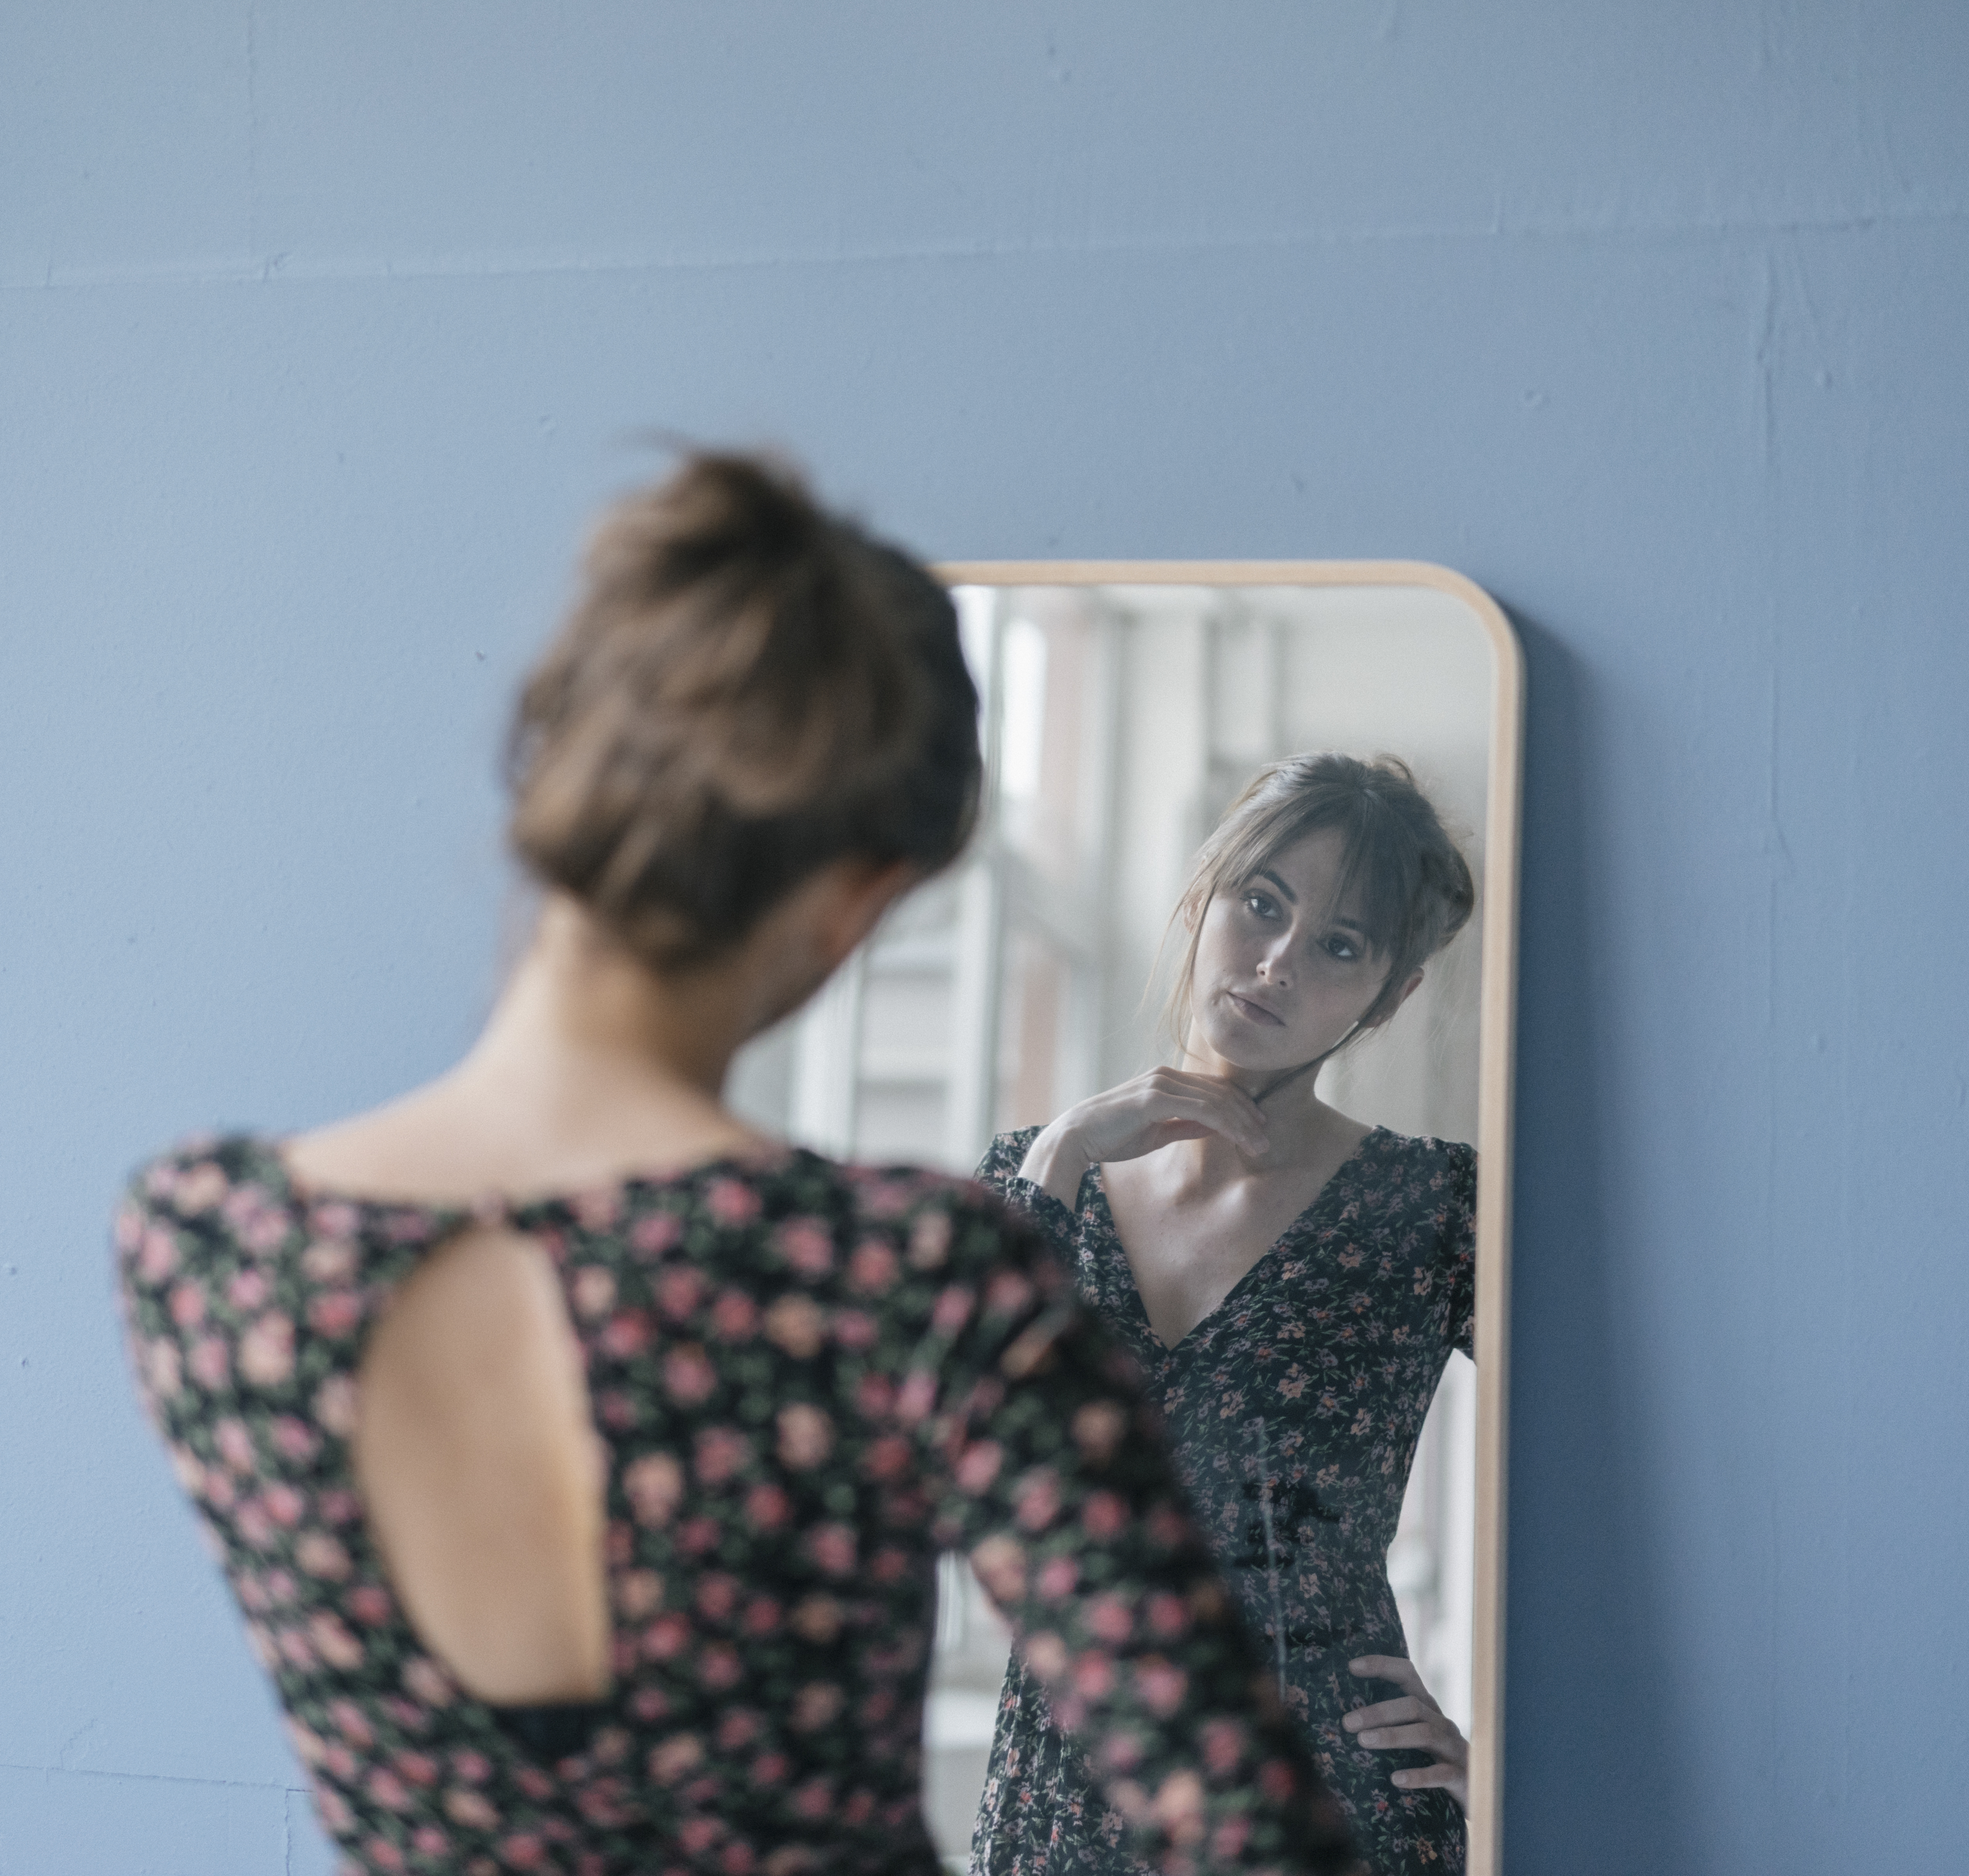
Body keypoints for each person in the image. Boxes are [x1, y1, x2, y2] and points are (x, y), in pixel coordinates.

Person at [113, 451, 1360, 1876]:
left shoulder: (206, 1246)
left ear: (553, 763)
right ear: (852, 899)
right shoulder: (906, 1279)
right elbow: (1257, 1837)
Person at [970, 754, 1480, 1876]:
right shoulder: (1034, 1178)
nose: (1279, 962)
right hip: (1064, 1799)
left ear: (1389, 997)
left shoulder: (1437, 1208)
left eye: (1340, 945)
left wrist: (1518, 1745)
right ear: (1201, 897)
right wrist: (1060, 1160)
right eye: (1262, 903)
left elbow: (1620, 1484)